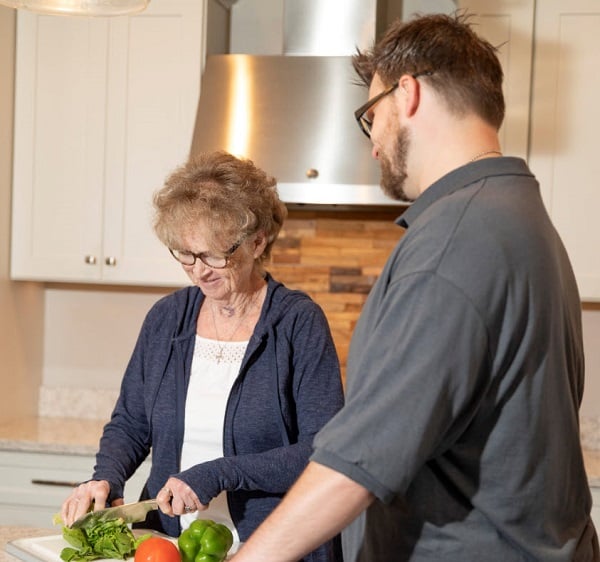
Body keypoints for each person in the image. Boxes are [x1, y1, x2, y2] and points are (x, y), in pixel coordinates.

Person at [230, 12, 599, 562]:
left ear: (408, 94)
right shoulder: (516, 215)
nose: (372, 140)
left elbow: (357, 462)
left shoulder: (456, 242)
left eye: (370, 115)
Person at [60, 150, 344, 561]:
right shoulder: (167, 318)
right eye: (185, 254)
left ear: (257, 241)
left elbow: (324, 450)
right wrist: (105, 478)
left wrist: (219, 472)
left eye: (214, 254)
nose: (199, 270)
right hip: (169, 545)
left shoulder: (298, 323)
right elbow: (131, 422)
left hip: (270, 546)